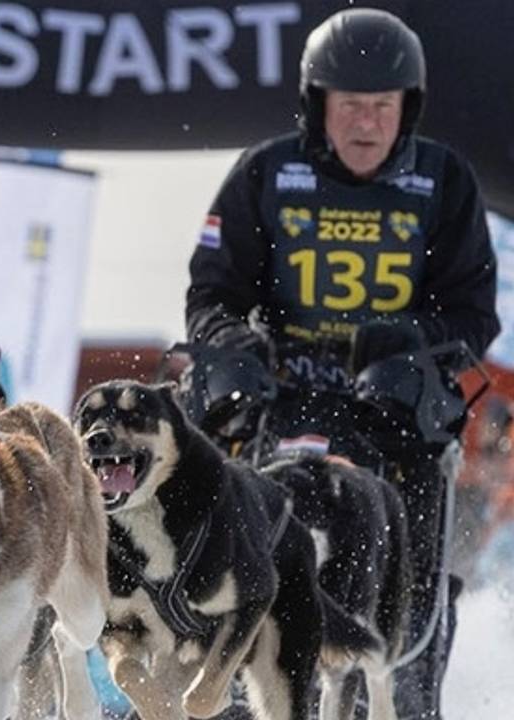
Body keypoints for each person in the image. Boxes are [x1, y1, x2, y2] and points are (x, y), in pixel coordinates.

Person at [185, 8, 497, 718]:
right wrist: (230, 345)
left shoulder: (445, 181)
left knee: (408, 565)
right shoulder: (265, 173)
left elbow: (474, 313)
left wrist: (413, 348)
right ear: (316, 103)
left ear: (408, 108)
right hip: (281, 398)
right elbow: (212, 293)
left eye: (383, 106)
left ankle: (405, 685)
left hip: (395, 417)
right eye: (351, 105)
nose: (367, 123)